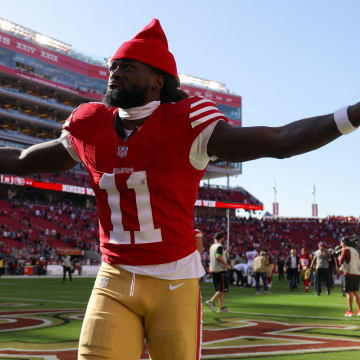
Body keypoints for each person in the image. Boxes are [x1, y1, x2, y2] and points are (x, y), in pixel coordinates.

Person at [0, 17, 360, 360]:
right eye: (114, 66)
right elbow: (22, 160)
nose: (116, 72)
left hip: (174, 282)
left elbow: (279, 141)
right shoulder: (90, 124)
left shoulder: (186, 121)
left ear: (158, 80)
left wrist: (352, 116)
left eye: (129, 66)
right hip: (114, 276)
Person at [205, 232, 232, 312]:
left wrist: (224, 253)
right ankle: (211, 301)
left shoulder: (212, 246)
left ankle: (221, 307)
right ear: (221, 238)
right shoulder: (219, 246)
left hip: (213, 269)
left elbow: (217, 255)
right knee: (222, 289)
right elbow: (218, 256)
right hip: (220, 270)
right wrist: (226, 265)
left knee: (220, 289)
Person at [338, 236, 360, 317]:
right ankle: (359, 310)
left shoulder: (345, 250)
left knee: (349, 292)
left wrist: (339, 255)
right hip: (357, 273)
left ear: (344, 243)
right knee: (355, 292)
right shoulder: (355, 250)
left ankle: (350, 311)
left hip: (349, 273)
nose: (340, 244)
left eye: (341, 242)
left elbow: (341, 261)